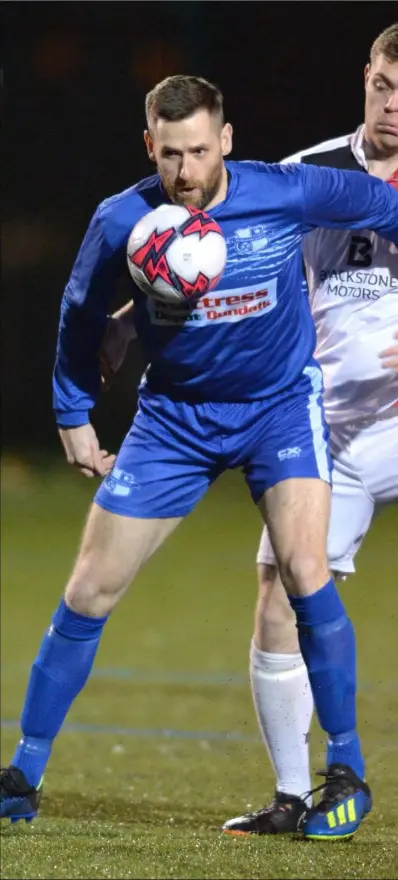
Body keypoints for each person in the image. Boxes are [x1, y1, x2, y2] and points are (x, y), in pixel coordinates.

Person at [1, 74, 398, 842]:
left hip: (280, 407)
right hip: (174, 421)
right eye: (170, 153)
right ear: (150, 145)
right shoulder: (124, 217)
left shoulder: (284, 190)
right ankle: (23, 773)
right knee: (88, 591)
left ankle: (344, 771)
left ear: (226, 141)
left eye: (198, 151)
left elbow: (387, 208)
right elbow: (80, 311)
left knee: (304, 573)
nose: (185, 171)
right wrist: (72, 415)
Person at [220, 23, 398, 837]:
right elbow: (222, 257)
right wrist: (126, 317)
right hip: (339, 427)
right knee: (282, 590)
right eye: (386, 86)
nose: (393, 108)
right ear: (367, 75)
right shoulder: (310, 173)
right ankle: (298, 795)